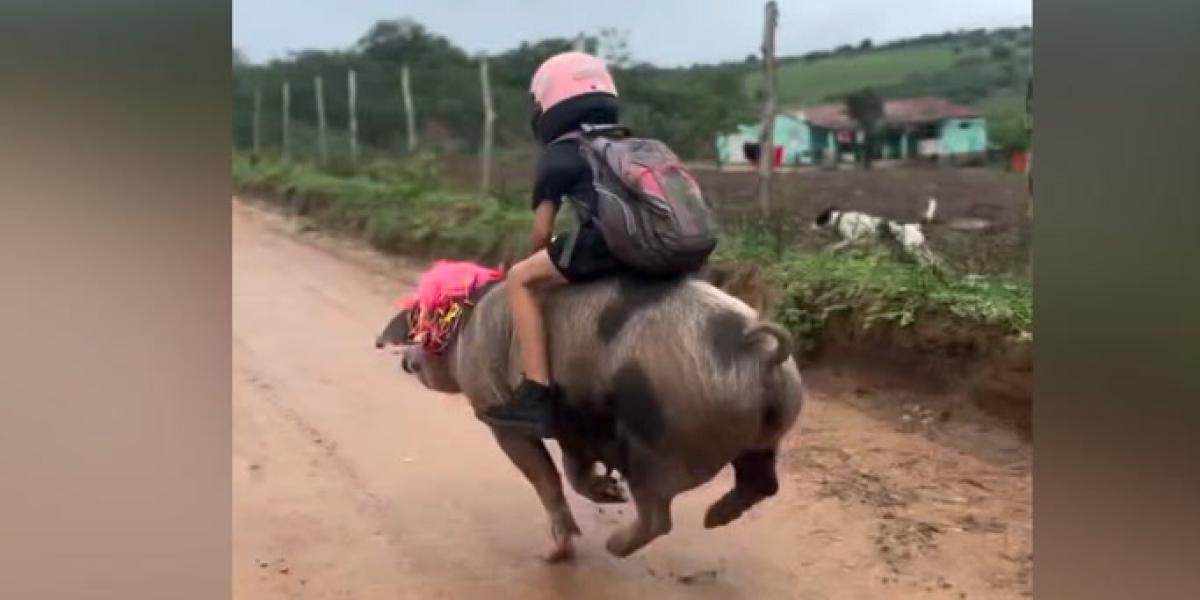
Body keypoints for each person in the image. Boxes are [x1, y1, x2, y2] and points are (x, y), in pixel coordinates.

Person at [479, 52, 626, 436]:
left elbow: (541, 232)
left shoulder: (559, 154)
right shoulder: (629, 142)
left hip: (606, 245)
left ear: (548, 103)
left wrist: (535, 258)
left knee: (520, 279)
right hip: (657, 243)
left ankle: (536, 391)